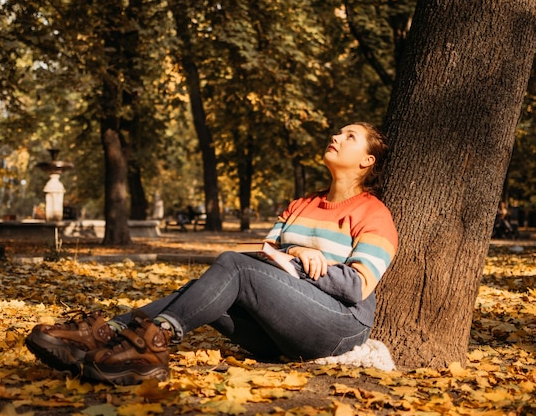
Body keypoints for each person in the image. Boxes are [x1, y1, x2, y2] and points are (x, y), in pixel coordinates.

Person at [25, 122, 399, 385]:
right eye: (339, 131)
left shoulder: (374, 214)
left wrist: (297, 260)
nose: (336, 136)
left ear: (367, 161)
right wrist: (296, 251)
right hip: (276, 333)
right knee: (207, 288)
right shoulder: (301, 205)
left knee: (232, 269)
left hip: (337, 328)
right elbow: (258, 254)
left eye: (350, 136)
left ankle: (150, 345)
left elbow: (355, 287)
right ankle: (110, 332)